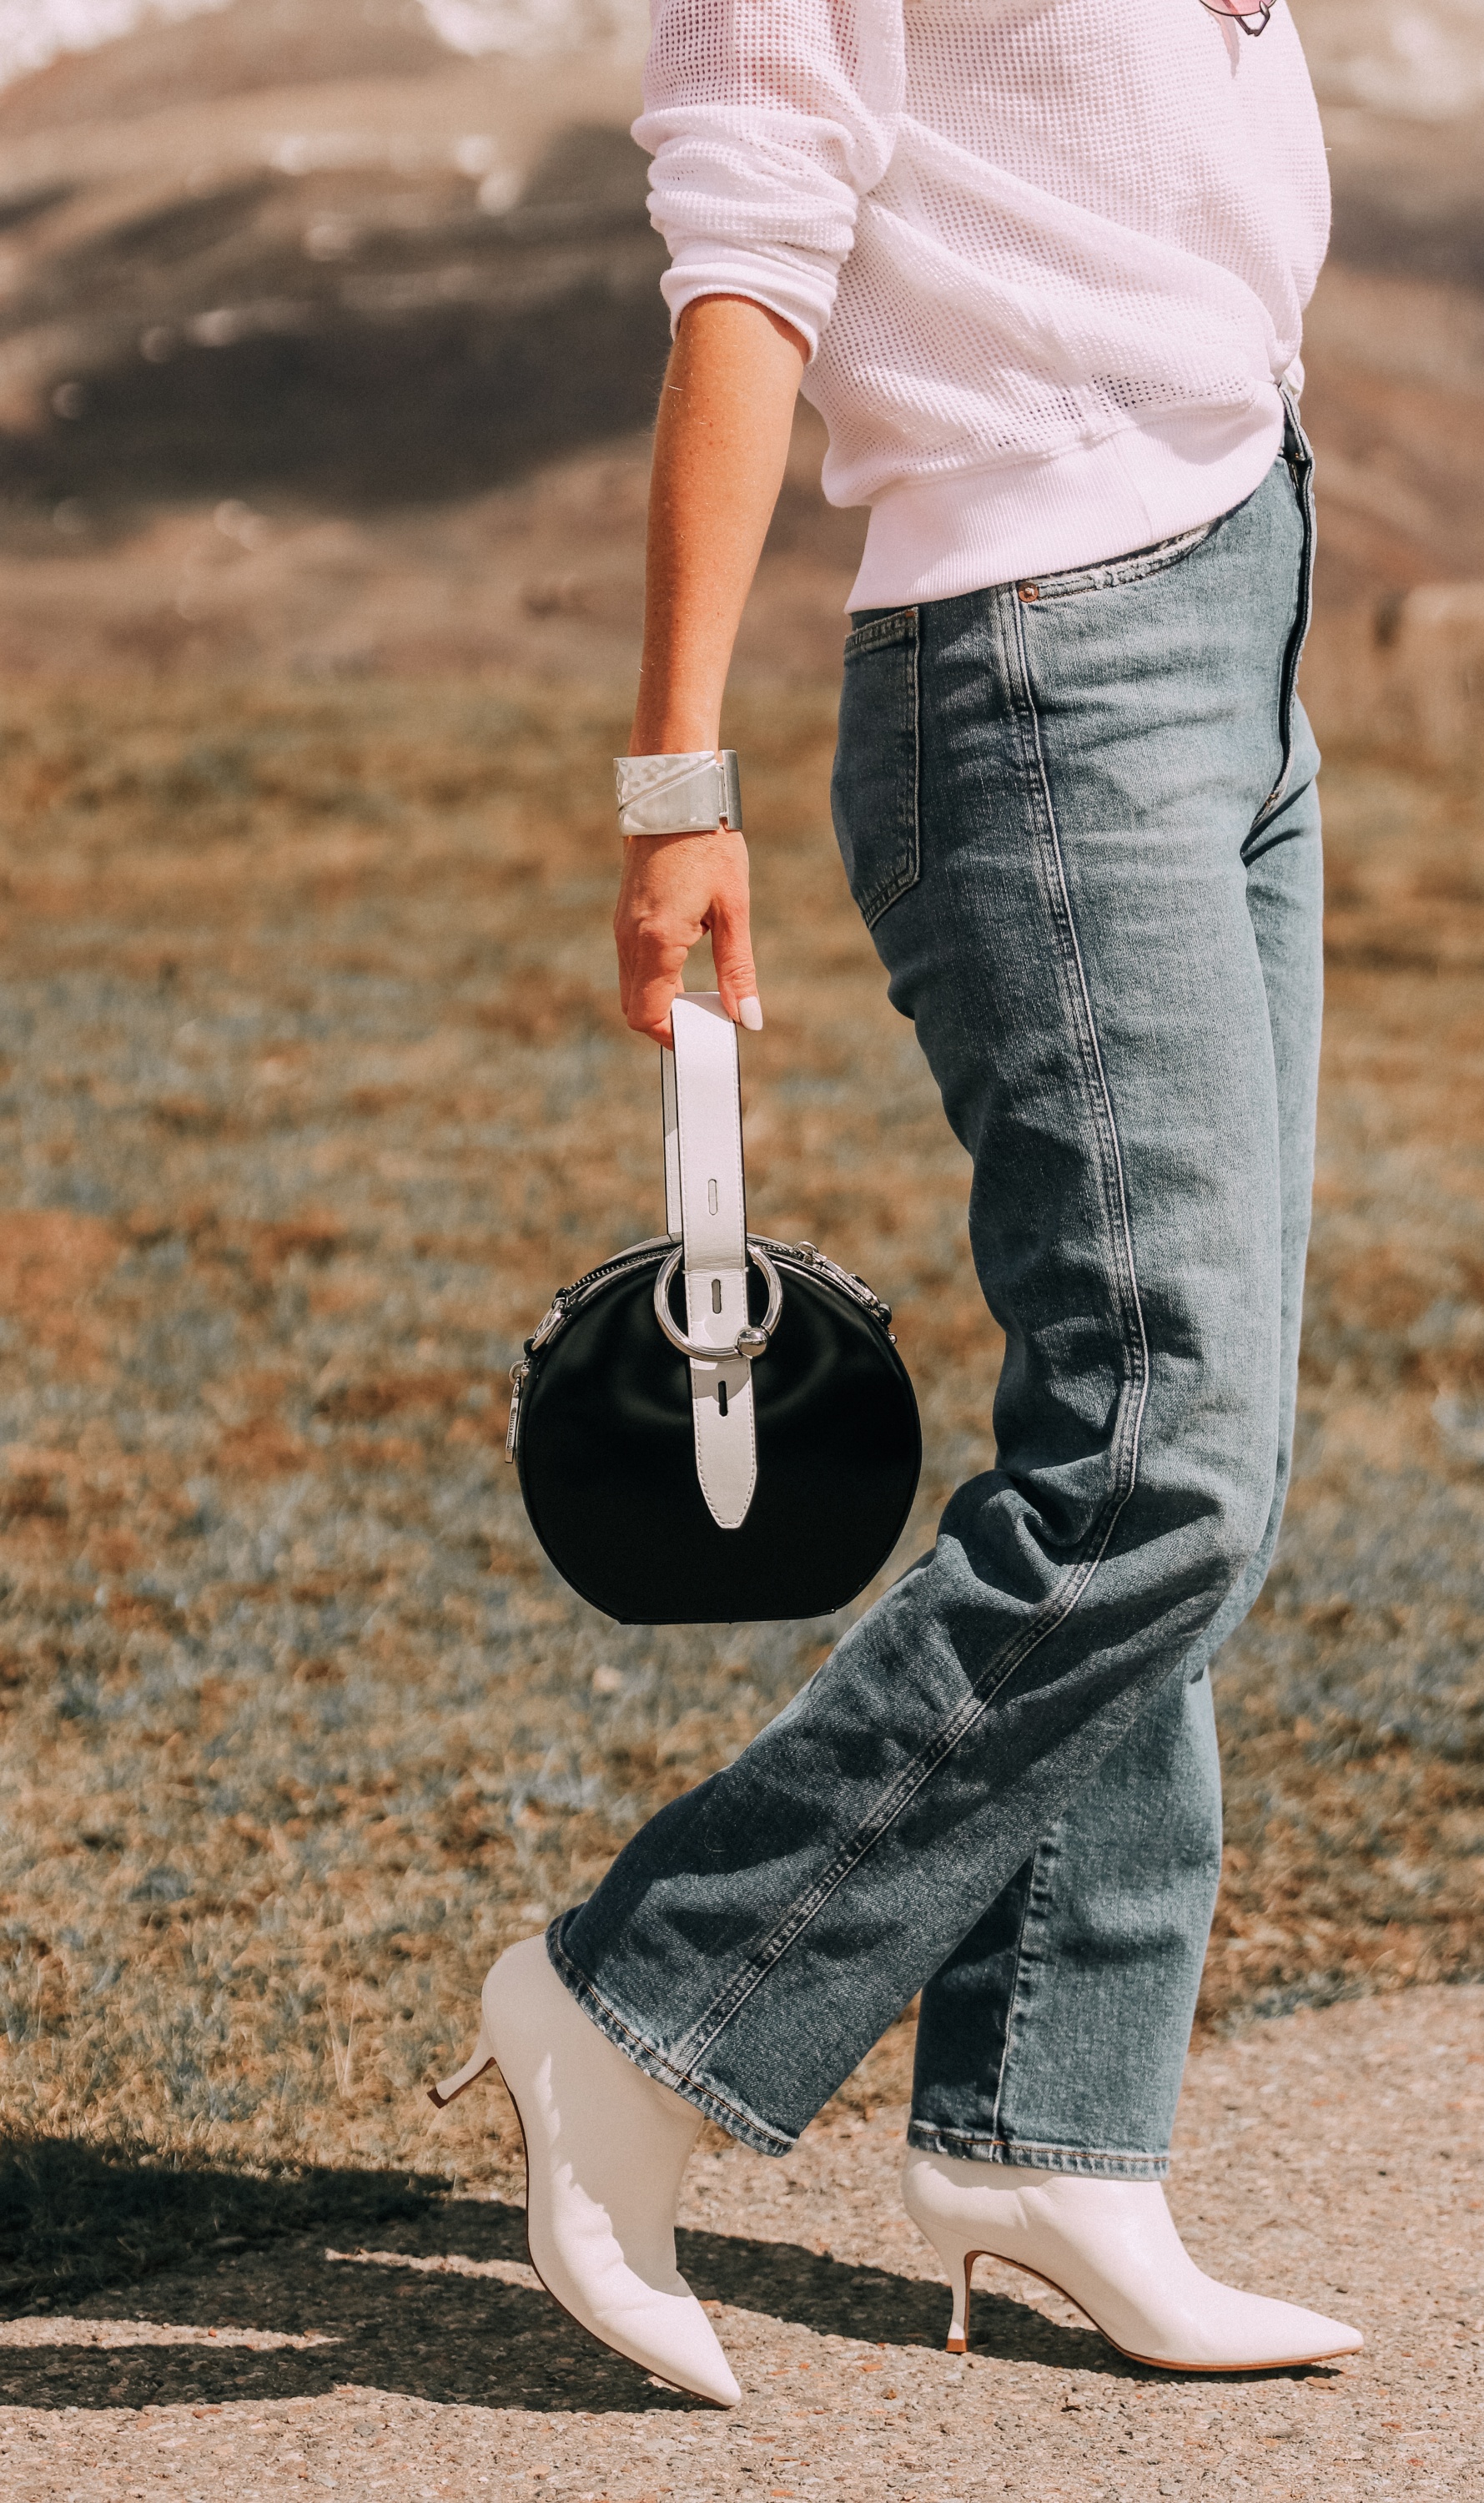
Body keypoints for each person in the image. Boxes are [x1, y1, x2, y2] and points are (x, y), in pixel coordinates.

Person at [430, 0, 1361, 2404]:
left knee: (1160, 1423)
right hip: (1043, 668)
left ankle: (1054, 2130)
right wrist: (670, 786)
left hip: (1240, 599)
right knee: (1167, 1453)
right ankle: (631, 2012)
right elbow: (746, 258)